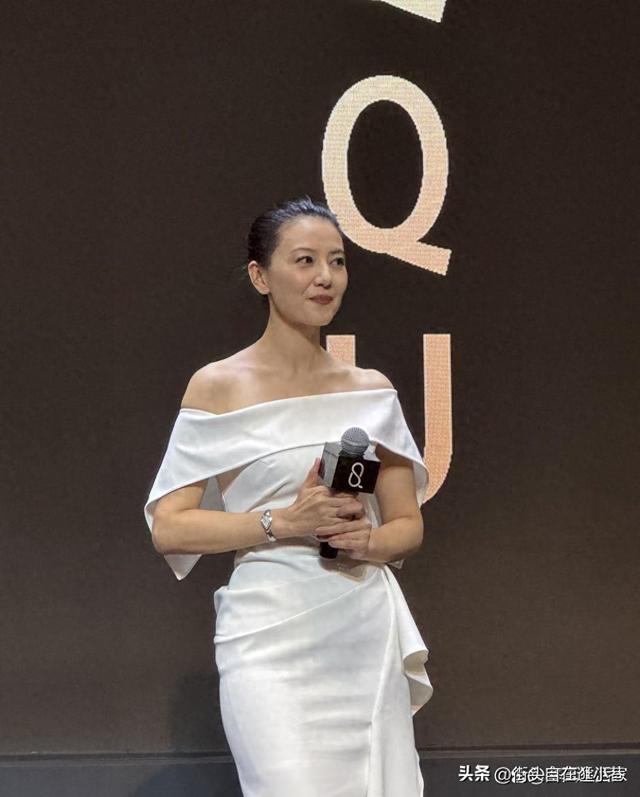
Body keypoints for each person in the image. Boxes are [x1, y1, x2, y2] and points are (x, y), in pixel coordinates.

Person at [143, 196, 433, 795]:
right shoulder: (218, 385)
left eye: (337, 261)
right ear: (260, 276)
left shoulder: (371, 391)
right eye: (305, 261)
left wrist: (368, 540)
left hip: (361, 626)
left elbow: (407, 524)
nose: (325, 277)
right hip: (269, 633)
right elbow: (169, 527)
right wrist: (285, 520)